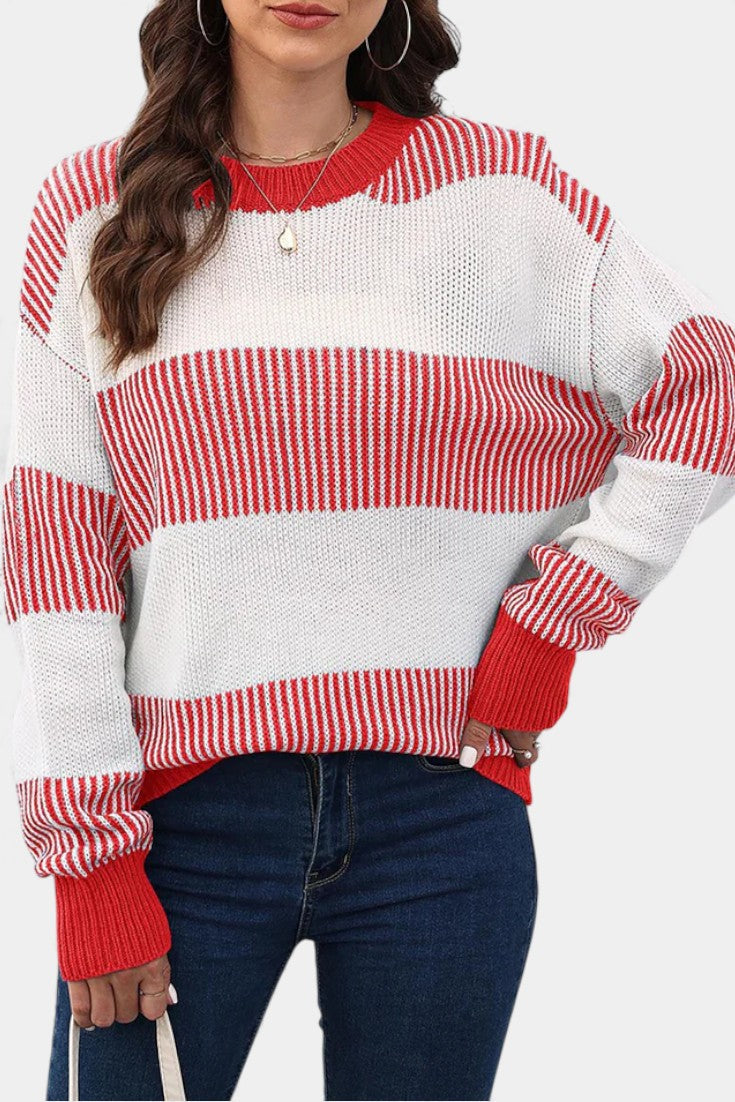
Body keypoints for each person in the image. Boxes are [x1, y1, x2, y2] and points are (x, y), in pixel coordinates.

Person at [2, 1, 733, 1099]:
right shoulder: (91, 209)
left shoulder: (501, 193)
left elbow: (706, 385)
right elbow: (56, 548)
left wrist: (552, 622)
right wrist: (90, 860)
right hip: (173, 826)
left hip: (439, 817)